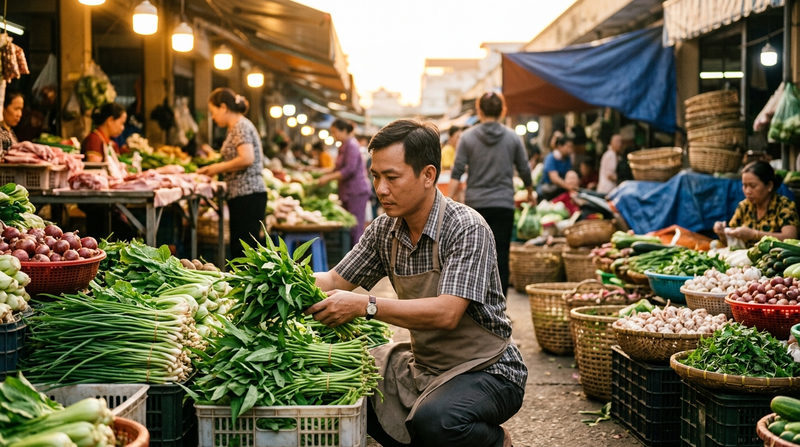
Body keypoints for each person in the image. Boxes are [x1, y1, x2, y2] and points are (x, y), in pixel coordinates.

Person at [306, 119, 526, 447]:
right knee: (349, 395)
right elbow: (336, 278)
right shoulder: (385, 230)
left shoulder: (466, 228)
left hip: (487, 369)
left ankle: (494, 442)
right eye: (376, 176)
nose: (380, 189)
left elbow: (447, 313)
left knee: (435, 422)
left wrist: (365, 306)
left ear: (428, 175)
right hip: (425, 366)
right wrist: (278, 281)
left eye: (392, 177)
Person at [449, 91, 534, 295]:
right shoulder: (513, 137)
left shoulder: (468, 137)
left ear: (479, 110)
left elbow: (457, 171)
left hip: (476, 206)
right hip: (504, 204)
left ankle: (476, 306)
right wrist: (530, 193)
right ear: (503, 110)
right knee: (501, 256)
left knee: (475, 255)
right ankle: (500, 309)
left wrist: (449, 200)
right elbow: (524, 168)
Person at [197, 88, 266, 259]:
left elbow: (247, 158)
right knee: (243, 248)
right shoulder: (237, 126)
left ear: (223, 107)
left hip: (247, 195)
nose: (213, 118)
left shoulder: (240, 126)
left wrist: (216, 168)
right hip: (245, 195)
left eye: (213, 112)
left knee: (244, 251)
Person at [714, 161, 799, 246]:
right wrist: (722, 233)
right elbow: (732, 242)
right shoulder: (744, 207)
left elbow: (790, 237)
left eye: (753, 186)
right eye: (744, 185)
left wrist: (754, 234)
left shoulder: (784, 206)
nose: (747, 191)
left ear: (769, 185)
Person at [318, 119, 371, 244]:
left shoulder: (352, 145)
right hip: (348, 191)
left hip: (356, 191)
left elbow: (349, 170)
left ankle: (359, 260)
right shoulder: (343, 146)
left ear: (344, 131)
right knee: (351, 226)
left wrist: (327, 178)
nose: (333, 135)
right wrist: (321, 172)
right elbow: (338, 168)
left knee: (356, 228)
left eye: (335, 132)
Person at [537, 135, 575, 200]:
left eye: (571, 147)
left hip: (560, 190)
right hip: (548, 190)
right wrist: (568, 187)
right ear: (560, 146)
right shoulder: (550, 158)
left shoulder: (567, 159)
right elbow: (554, 178)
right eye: (568, 146)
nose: (570, 149)